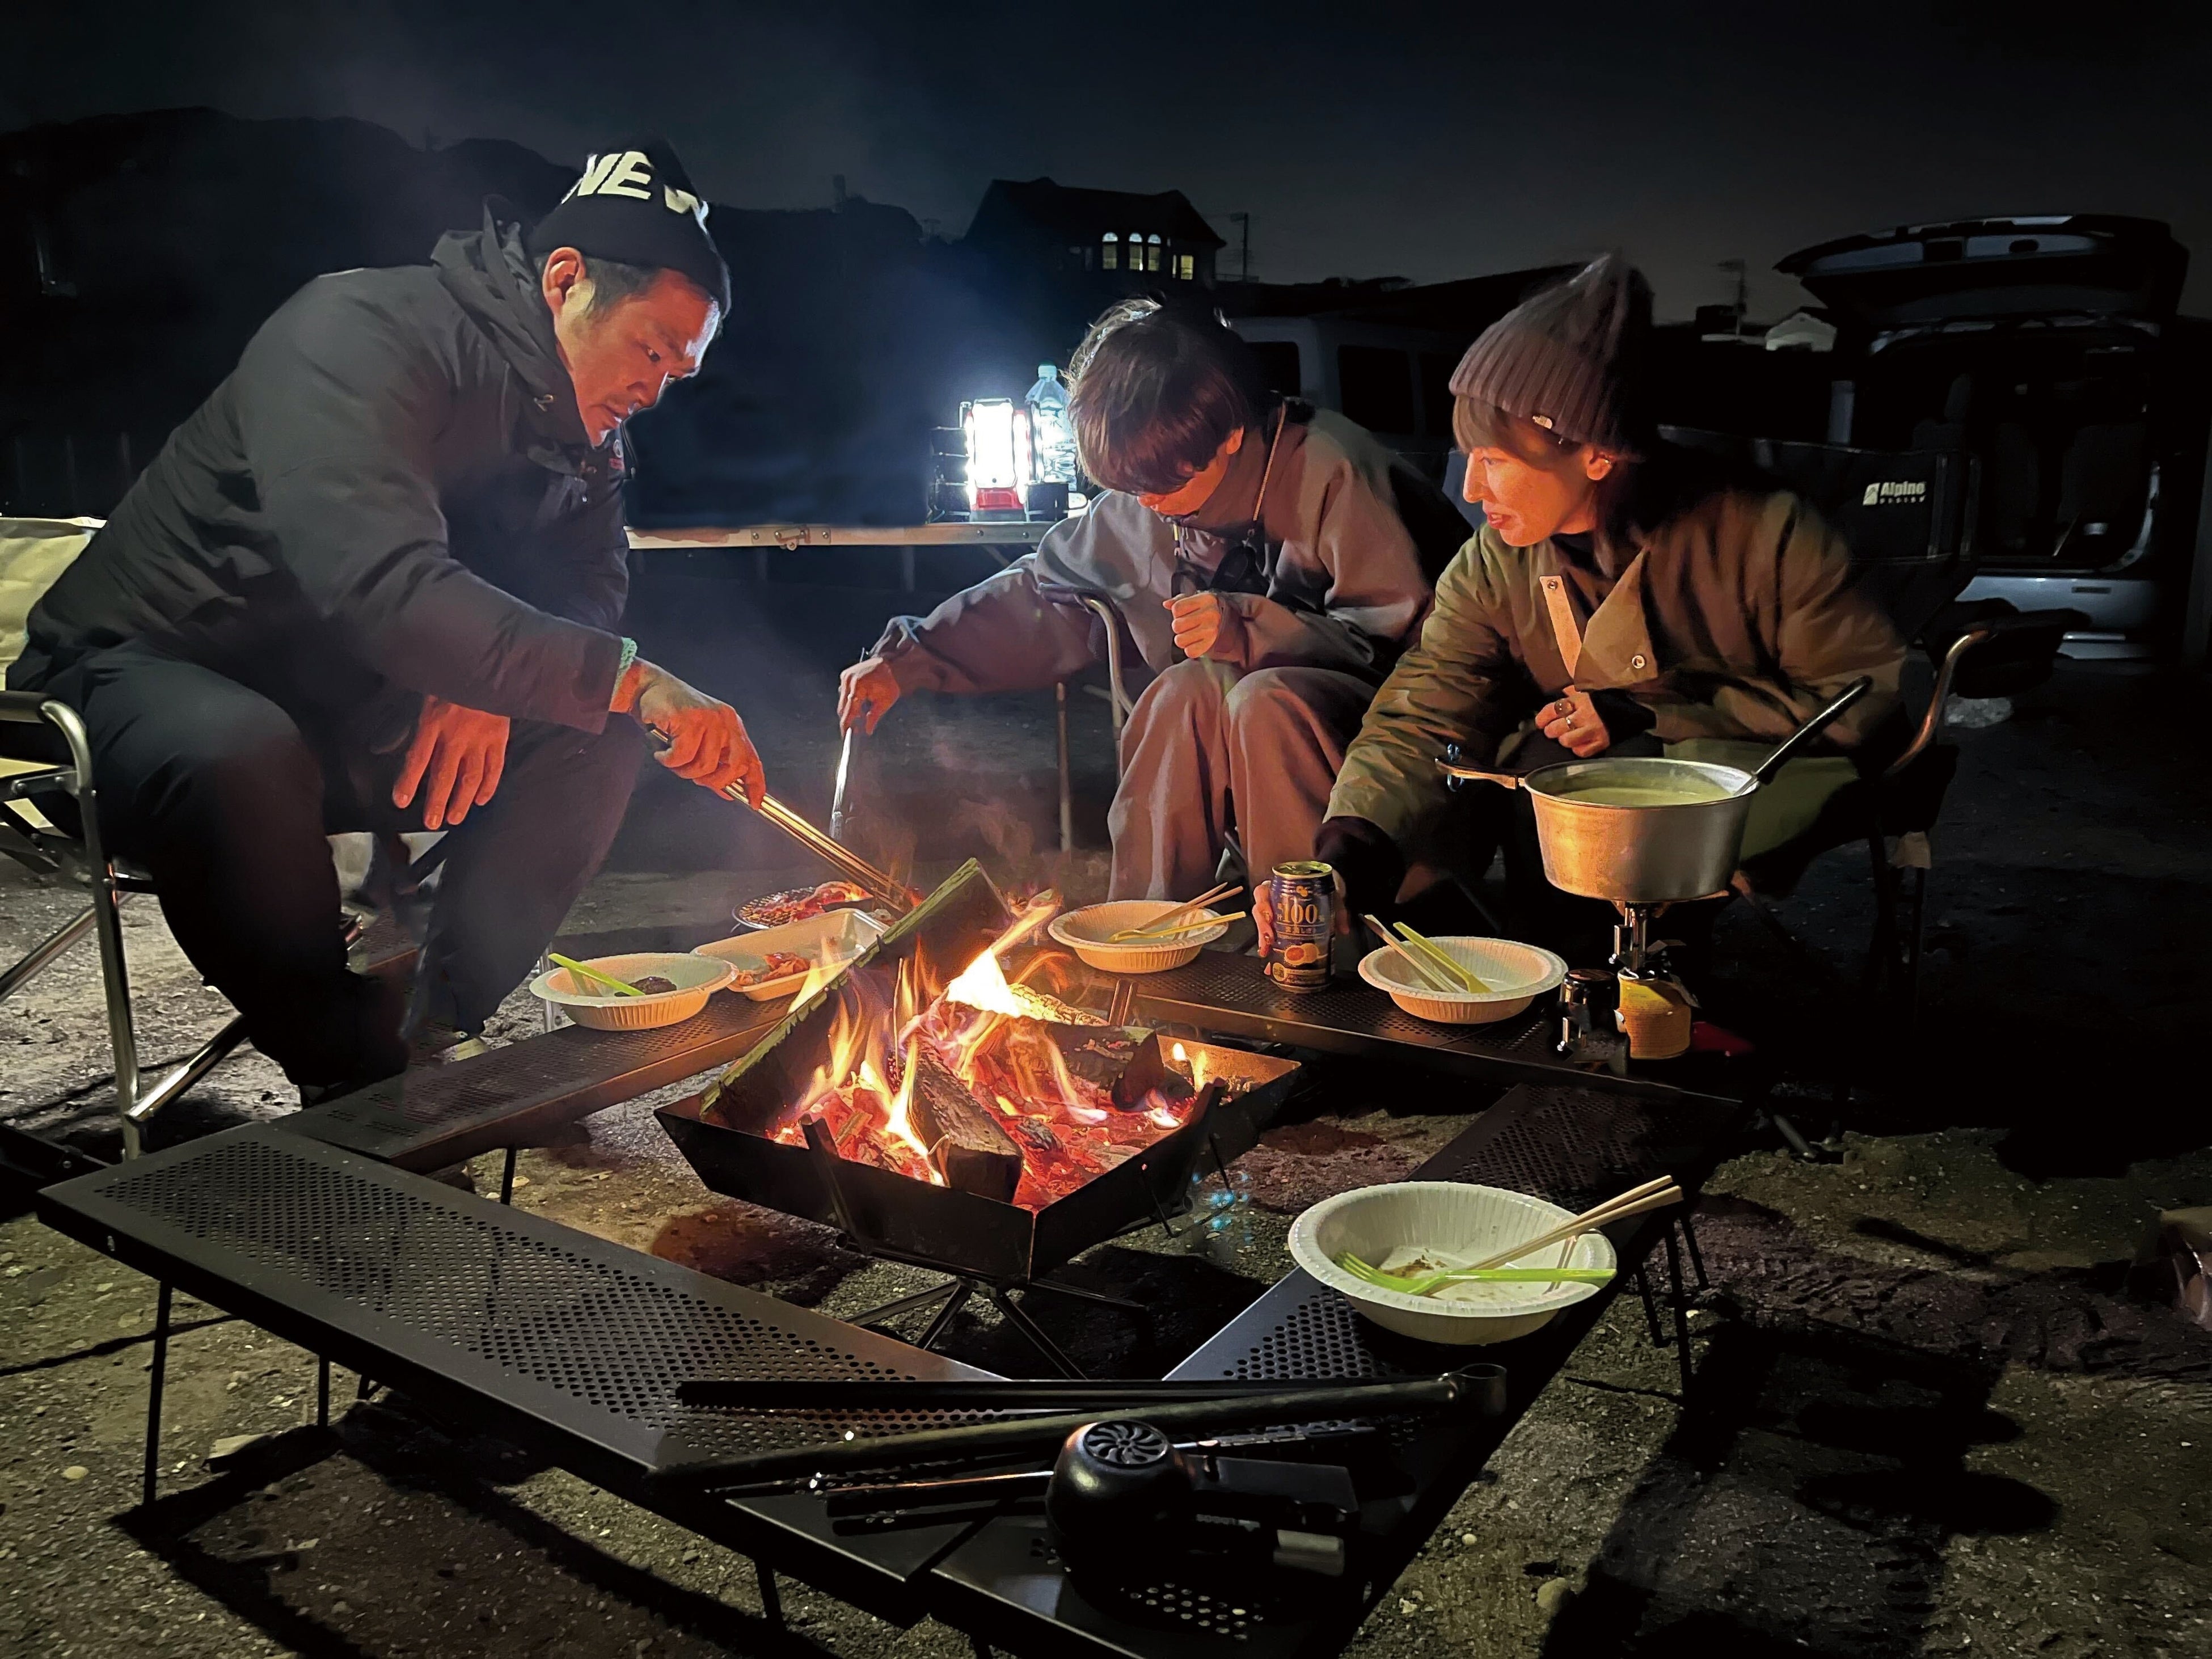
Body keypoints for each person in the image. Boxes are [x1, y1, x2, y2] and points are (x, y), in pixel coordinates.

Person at [8, 140, 765, 1099]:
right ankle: (347, 1070)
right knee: (236, 746)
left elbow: (588, 585)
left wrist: (493, 682)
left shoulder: (586, 439)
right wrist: (619, 675)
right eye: (650, 351)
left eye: (677, 373)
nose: (653, 390)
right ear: (565, 281)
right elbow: (380, 584)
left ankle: (434, 1022)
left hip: (340, 708)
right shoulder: (360, 334)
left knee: (595, 736)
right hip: (135, 686)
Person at [1260, 254, 1906, 960]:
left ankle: (1626, 990)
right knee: (1541, 776)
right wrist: (1350, 849)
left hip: (1749, 776)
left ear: (1596, 455)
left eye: (1496, 460)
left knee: (1589, 790)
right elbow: (1427, 707)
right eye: (1468, 456)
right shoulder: (1496, 562)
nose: (1471, 490)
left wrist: (1658, 713)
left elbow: (1864, 702)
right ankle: (1566, 986)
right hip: (1577, 795)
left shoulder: (1762, 533)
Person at [837, 300, 1463, 899]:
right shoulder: (1149, 497)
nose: (1150, 504)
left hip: (1399, 768)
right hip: (1249, 744)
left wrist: (1248, 629)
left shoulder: (1334, 472)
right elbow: (1045, 593)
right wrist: (911, 658)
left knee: (1263, 701)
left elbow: (1424, 659)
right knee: (1182, 692)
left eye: (1163, 483)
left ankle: (1309, 939)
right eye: (1131, 486)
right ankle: (1150, 933)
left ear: (1231, 435)